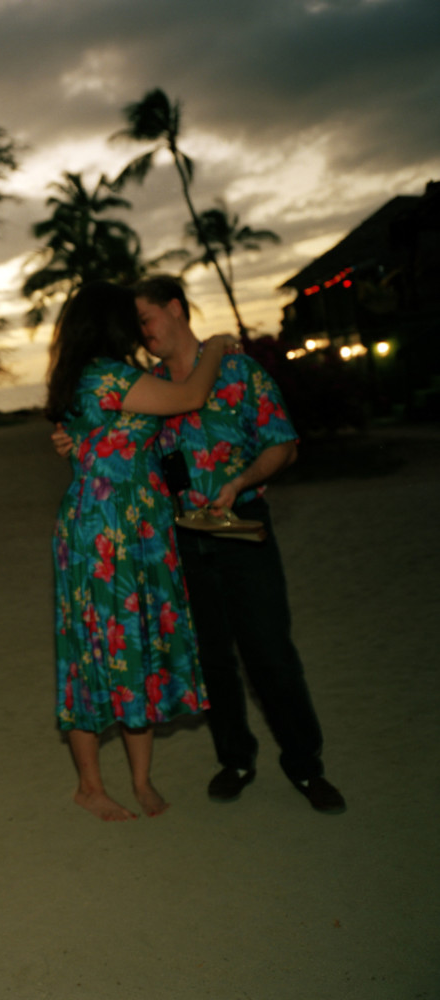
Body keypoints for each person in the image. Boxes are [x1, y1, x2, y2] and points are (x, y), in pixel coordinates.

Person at [133, 275, 345, 814]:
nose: (142, 332)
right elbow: (121, 451)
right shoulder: (151, 388)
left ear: (175, 308)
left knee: (269, 650)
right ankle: (236, 759)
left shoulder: (238, 371)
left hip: (242, 529)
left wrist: (240, 482)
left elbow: (284, 445)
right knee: (211, 658)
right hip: (183, 540)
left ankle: (306, 765)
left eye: (146, 319)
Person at [46, 282, 237, 821]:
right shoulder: (107, 375)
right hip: (106, 532)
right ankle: (90, 786)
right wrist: (216, 346)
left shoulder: (101, 376)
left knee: (136, 645)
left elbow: (101, 438)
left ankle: (140, 780)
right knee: (93, 652)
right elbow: (190, 396)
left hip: (136, 528)